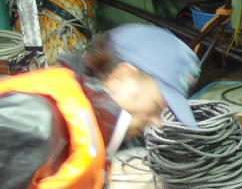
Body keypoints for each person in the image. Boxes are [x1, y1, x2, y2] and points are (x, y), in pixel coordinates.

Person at [0, 24, 201, 189]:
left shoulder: (96, 127)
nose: (157, 123)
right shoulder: (30, 119)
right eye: (157, 107)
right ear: (122, 77)